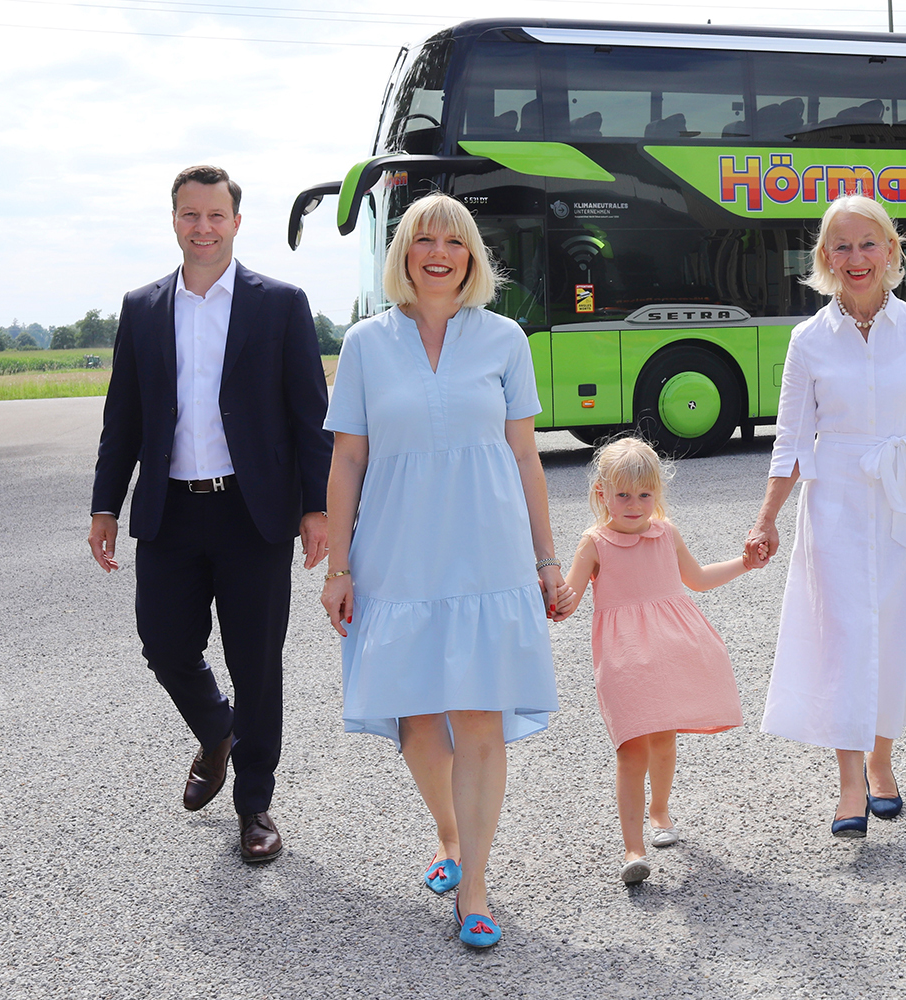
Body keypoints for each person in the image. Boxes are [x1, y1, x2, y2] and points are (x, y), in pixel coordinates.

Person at [319, 191, 566, 950]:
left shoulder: (504, 341)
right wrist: (337, 566)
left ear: (470, 257)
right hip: (394, 553)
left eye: (453, 241)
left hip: (488, 549)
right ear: (403, 255)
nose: (438, 251)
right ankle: (451, 835)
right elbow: (348, 457)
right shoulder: (364, 343)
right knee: (418, 719)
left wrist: (548, 558)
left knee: (482, 718)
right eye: (423, 238)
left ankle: (477, 887)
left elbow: (525, 453)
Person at [88, 165, 332, 863]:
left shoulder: (279, 304)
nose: (203, 227)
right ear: (174, 221)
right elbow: (123, 419)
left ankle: (255, 806)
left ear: (235, 222)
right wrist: (106, 504)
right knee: (163, 644)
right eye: (190, 215)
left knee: (256, 661)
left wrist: (316, 509)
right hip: (170, 511)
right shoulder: (141, 308)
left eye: (215, 215)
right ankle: (218, 729)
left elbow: (309, 418)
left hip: (252, 514)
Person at [744, 194, 906, 839]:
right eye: (840, 246)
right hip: (837, 499)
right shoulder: (807, 340)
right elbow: (791, 437)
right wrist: (766, 519)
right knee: (842, 633)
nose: (855, 257)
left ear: (892, 251)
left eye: (868, 243)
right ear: (824, 259)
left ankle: (881, 759)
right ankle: (849, 779)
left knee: (896, 631)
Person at [553, 437, 755, 885]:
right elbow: (568, 601)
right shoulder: (595, 543)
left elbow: (697, 580)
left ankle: (659, 812)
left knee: (663, 741)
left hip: (672, 651)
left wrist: (744, 563)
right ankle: (632, 848)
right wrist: (550, 596)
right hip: (624, 660)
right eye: (623, 494)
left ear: (656, 494)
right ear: (602, 493)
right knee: (630, 750)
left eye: (644, 495)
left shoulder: (665, 532)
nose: (634, 505)